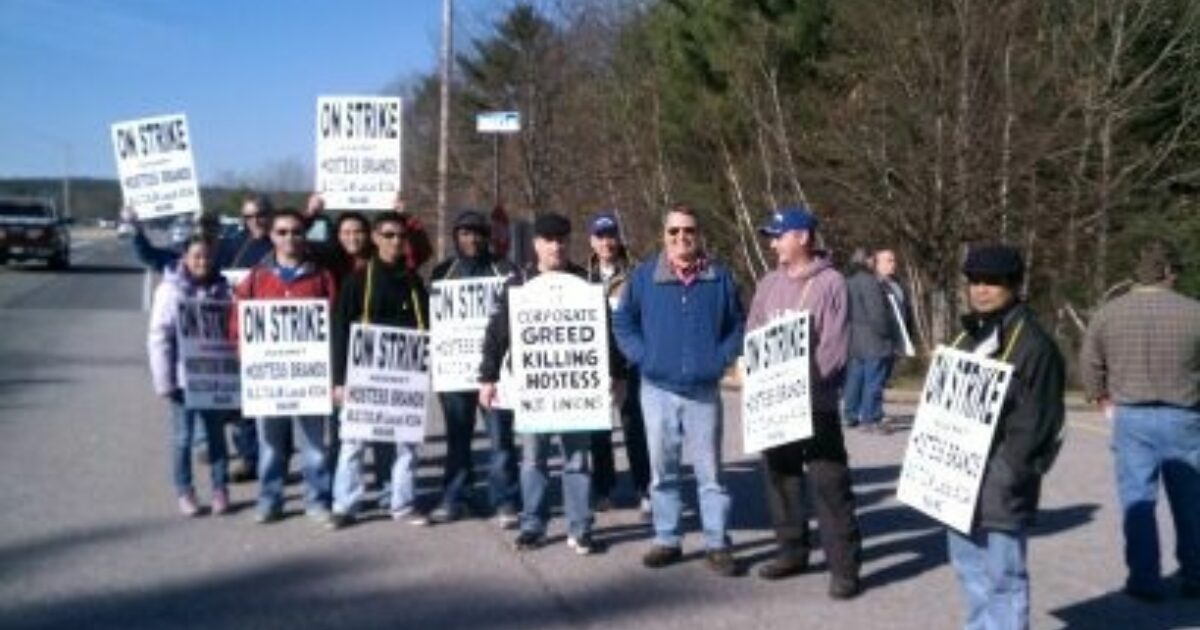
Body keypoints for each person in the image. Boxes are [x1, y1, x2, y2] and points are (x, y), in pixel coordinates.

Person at [612, 204, 744, 576]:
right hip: (657, 389)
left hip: (703, 391)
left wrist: (720, 358)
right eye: (674, 232)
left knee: (711, 474)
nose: (681, 238)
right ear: (663, 235)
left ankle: (717, 543)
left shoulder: (719, 278)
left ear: (699, 235)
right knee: (662, 471)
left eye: (688, 230)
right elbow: (623, 321)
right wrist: (643, 356)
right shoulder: (643, 278)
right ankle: (667, 538)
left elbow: (737, 324)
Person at [946, 244, 1066, 629]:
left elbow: (1041, 424)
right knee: (970, 571)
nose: (981, 289)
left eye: (993, 282)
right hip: (956, 483)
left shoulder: (1035, 345)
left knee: (1004, 579)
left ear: (1014, 285)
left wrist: (1012, 475)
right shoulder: (966, 337)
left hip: (1000, 482)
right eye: (975, 281)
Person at [746, 207, 863, 597]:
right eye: (772, 235)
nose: (773, 242)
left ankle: (844, 568)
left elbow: (835, 347)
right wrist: (757, 377)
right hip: (774, 406)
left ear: (803, 238)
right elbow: (755, 332)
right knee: (780, 478)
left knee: (829, 483)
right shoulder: (768, 283)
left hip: (817, 403)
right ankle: (792, 551)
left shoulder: (832, 283)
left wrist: (802, 387)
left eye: (780, 235)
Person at [1080, 239, 1200, 602]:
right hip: (1184, 415)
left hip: (1130, 416)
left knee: (1138, 499)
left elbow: (1089, 361)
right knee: (1191, 500)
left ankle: (1144, 579)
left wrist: (1100, 396)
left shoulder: (1109, 312)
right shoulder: (1194, 311)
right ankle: (1195, 574)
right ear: (1168, 274)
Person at [478, 212, 604, 554]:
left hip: (576, 387)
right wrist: (487, 377)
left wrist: (615, 374)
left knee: (577, 459)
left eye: (562, 240)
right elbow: (497, 333)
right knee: (533, 459)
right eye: (549, 240)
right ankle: (533, 524)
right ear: (536, 244)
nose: (556, 247)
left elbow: (605, 333)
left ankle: (581, 528)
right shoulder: (518, 281)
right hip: (534, 386)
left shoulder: (586, 281)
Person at [230, 208, 337, 525]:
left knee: (314, 446)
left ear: (305, 236)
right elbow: (238, 323)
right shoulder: (256, 279)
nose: (290, 238)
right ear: (272, 236)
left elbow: (334, 324)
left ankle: (317, 501)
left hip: (310, 379)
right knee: (271, 445)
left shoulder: (321, 277)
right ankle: (270, 500)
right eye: (282, 232)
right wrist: (244, 356)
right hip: (269, 379)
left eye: (296, 231)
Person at [328, 212, 431, 529]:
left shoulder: (414, 282)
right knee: (353, 444)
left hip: (406, 377)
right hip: (363, 376)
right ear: (375, 238)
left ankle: (402, 503)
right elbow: (340, 330)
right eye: (388, 235)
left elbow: (427, 328)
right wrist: (339, 381)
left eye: (401, 236)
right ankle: (345, 505)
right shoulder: (358, 280)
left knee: (407, 445)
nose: (396, 241)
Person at [429, 210, 518, 524]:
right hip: (455, 370)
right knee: (457, 437)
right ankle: (455, 495)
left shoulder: (504, 269)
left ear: (488, 236)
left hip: (495, 371)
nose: (472, 239)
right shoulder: (443, 272)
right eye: (465, 233)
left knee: (500, 438)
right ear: (456, 237)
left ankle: (505, 500)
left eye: (478, 232)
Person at [147, 235, 232, 517]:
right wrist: (165, 381)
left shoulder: (224, 289)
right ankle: (185, 491)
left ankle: (220, 488)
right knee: (183, 438)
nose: (202, 262)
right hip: (183, 380)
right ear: (184, 258)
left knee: (217, 436)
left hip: (215, 378)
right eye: (196, 256)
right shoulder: (170, 291)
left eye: (207, 256)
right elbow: (159, 337)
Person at [585, 211, 651, 517]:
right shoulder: (581, 277)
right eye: (601, 236)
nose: (607, 242)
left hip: (630, 363)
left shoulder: (638, 273)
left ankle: (645, 488)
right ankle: (603, 488)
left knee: (633, 426)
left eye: (611, 235)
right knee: (598, 428)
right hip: (593, 364)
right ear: (592, 242)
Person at [843, 248, 900, 434]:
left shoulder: (847, 281)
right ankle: (871, 418)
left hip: (854, 337)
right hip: (874, 339)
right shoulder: (870, 282)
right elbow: (877, 314)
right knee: (874, 380)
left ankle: (850, 414)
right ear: (867, 262)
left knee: (855, 378)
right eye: (872, 260)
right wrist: (887, 334)